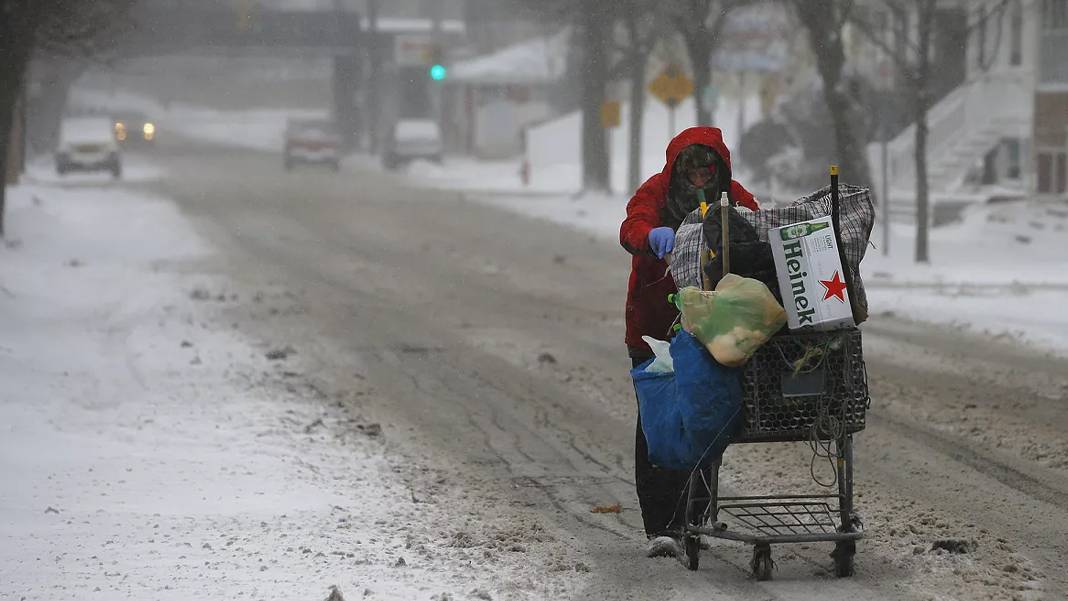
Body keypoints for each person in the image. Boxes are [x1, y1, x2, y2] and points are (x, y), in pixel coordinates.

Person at [619, 126, 759, 558]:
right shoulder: (655, 193)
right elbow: (632, 224)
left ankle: (694, 517)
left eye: (707, 171)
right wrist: (651, 236)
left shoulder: (732, 196)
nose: (700, 180)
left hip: (709, 331)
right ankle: (660, 524)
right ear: (677, 170)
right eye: (691, 172)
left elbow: (755, 226)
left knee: (703, 418)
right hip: (655, 327)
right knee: (661, 426)